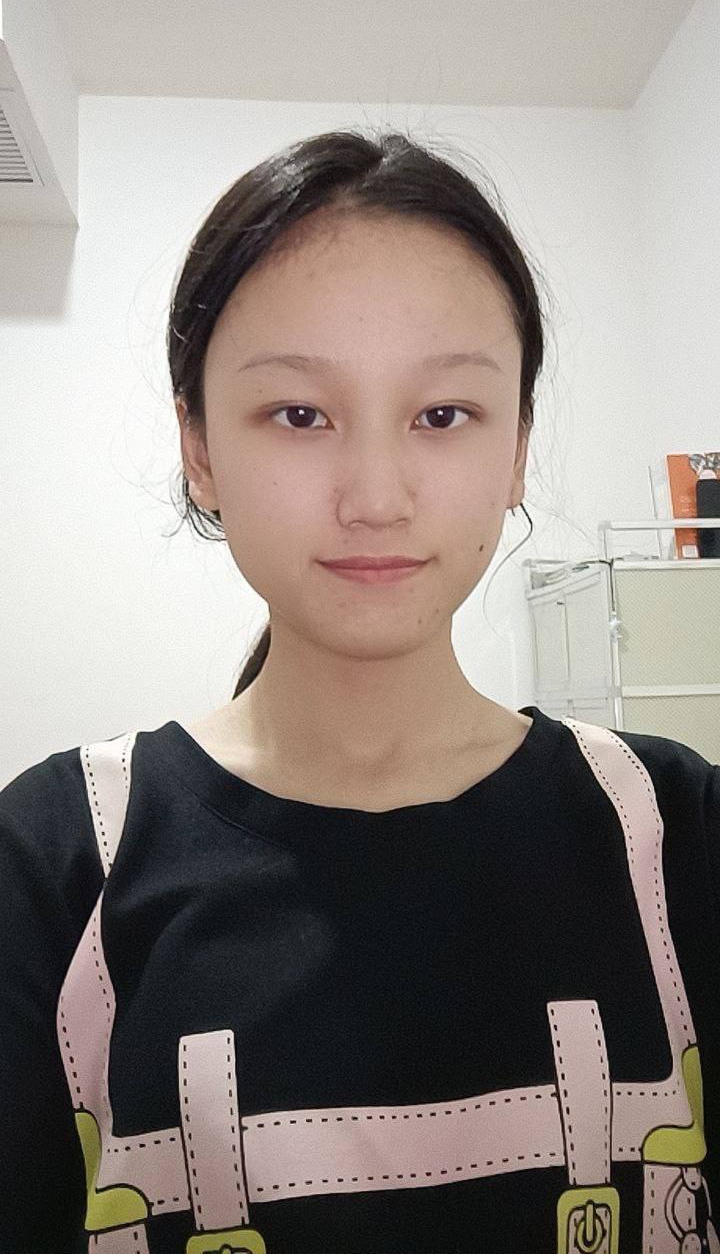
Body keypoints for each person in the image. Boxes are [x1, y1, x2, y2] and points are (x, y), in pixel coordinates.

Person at [1, 128, 718, 1254]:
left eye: (443, 414)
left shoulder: (674, 838)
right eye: (299, 414)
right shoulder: (56, 866)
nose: (376, 496)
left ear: (517, 444)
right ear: (199, 445)